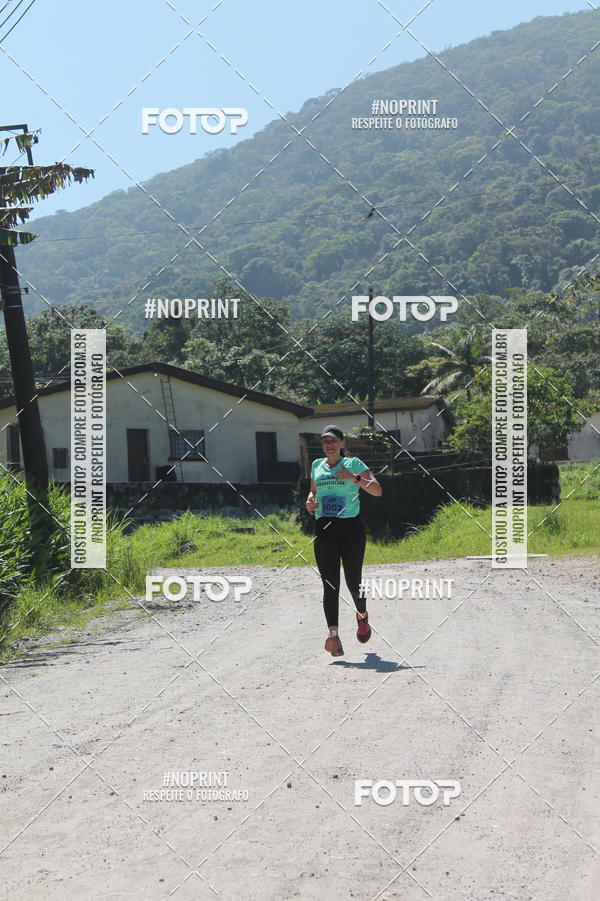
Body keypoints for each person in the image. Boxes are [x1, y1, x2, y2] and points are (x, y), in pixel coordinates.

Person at [306, 424, 383, 657]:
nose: (328, 445)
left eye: (332, 440)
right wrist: (309, 502)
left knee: (353, 582)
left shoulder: (354, 464)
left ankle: (362, 616)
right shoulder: (316, 466)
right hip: (325, 529)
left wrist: (354, 478)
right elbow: (313, 493)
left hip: (351, 530)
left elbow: (377, 490)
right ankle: (334, 636)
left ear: (341, 443)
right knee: (330, 585)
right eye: (324, 441)